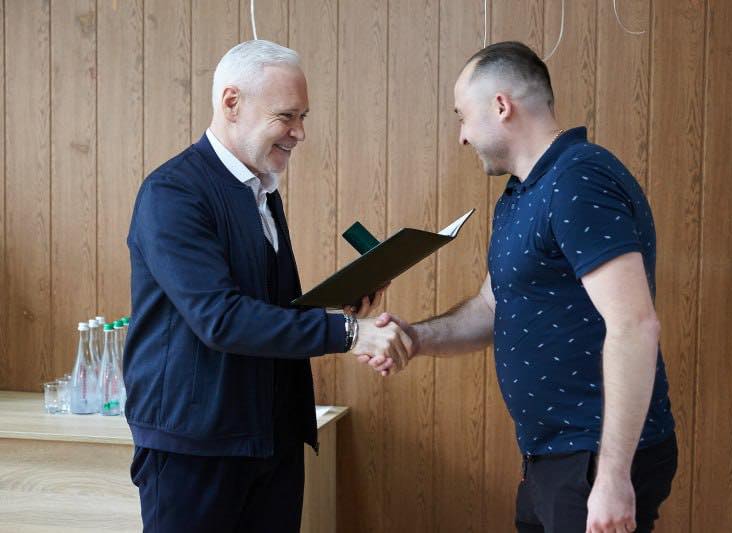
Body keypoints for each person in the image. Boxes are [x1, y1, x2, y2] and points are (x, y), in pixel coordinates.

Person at [366, 41, 677, 533]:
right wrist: (416, 338)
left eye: (462, 117)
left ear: (501, 106)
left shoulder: (578, 180)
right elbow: (492, 306)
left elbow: (634, 325)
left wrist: (614, 477)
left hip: (593, 457)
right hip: (550, 458)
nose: (462, 137)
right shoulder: (521, 193)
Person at [124, 39, 412, 532]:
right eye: (286, 116)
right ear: (231, 103)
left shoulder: (261, 191)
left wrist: (342, 305)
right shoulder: (171, 192)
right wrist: (349, 334)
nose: (299, 133)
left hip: (271, 439)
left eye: (303, 117)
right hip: (197, 450)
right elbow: (220, 319)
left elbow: (264, 307)